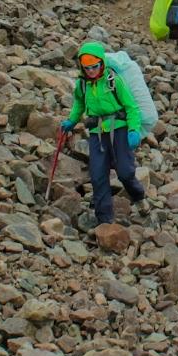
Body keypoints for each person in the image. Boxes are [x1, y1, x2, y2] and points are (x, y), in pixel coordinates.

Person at [61, 41, 146, 225]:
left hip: (120, 129)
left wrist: (133, 130)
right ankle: (104, 219)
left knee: (124, 172)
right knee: (98, 175)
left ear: (102, 63)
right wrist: (71, 121)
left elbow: (131, 107)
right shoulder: (82, 84)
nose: (91, 71)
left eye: (95, 66)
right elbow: (79, 104)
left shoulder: (113, 80)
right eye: (87, 67)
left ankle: (138, 196)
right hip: (97, 133)